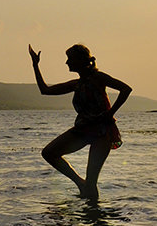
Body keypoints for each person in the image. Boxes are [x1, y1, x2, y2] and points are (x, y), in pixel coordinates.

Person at [29, 43, 131, 200]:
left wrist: (110, 113)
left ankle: (95, 219)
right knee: (49, 153)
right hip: (83, 129)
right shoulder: (76, 84)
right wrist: (35, 65)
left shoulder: (98, 78)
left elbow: (125, 89)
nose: (67, 62)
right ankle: (79, 183)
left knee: (92, 182)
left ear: (80, 60)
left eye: (69, 59)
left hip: (103, 131)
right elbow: (45, 90)